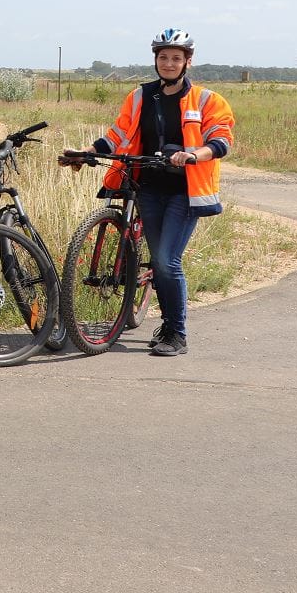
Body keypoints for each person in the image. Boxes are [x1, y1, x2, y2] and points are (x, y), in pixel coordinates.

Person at [63, 29, 234, 357]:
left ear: (187, 62)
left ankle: (176, 332)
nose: (169, 63)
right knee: (157, 261)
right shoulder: (141, 96)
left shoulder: (207, 100)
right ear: (155, 59)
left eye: (176, 58)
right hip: (148, 188)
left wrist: (195, 154)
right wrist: (87, 152)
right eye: (163, 57)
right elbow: (118, 133)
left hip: (185, 190)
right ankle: (164, 320)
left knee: (166, 262)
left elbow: (221, 138)